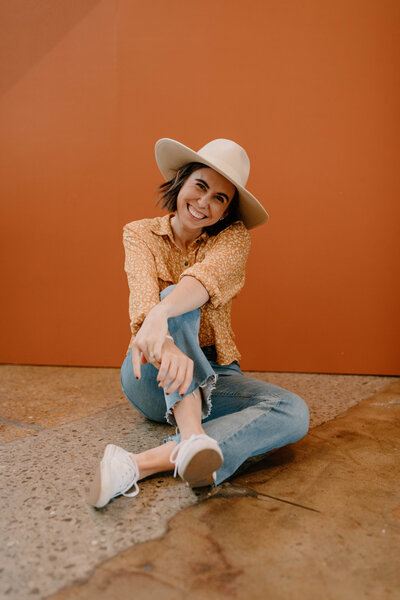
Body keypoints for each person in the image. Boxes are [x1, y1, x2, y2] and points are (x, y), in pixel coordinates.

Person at [89, 138, 310, 508]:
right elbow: (143, 299)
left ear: (226, 212)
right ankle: (192, 436)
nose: (204, 203)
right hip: (152, 376)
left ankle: (138, 463)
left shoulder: (234, 238)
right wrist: (163, 332)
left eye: (220, 199)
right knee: (170, 299)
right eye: (200, 187)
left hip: (215, 373)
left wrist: (163, 313)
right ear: (180, 181)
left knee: (293, 412)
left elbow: (203, 282)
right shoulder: (140, 233)